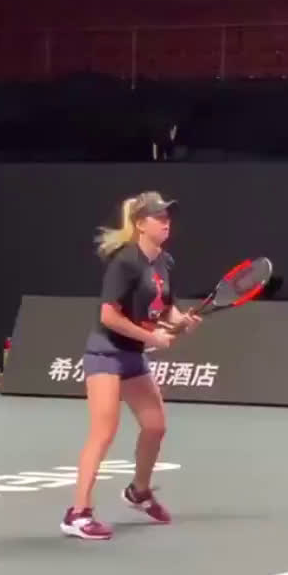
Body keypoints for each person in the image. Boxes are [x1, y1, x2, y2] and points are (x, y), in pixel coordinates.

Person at [61, 191, 200, 540]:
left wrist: (180, 320)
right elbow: (109, 316)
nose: (166, 222)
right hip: (106, 353)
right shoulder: (124, 262)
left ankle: (139, 492)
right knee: (103, 431)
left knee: (155, 426)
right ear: (140, 224)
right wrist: (152, 337)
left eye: (167, 216)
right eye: (158, 217)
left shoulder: (164, 262)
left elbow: (164, 306)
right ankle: (78, 513)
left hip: (132, 356)